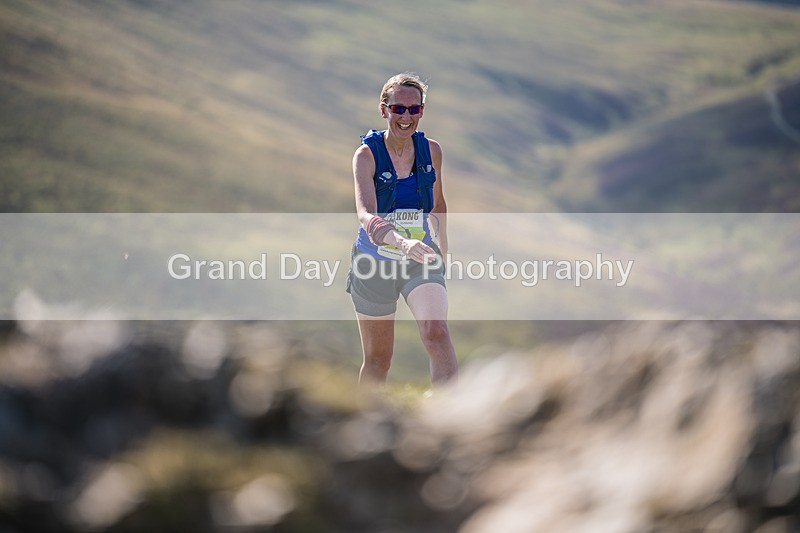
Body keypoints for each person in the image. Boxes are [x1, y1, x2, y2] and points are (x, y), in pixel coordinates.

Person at [346, 72, 458, 387]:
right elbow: (366, 216)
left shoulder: (431, 151)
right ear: (384, 110)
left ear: (421, 111)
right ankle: (365, 422)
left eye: (414, 109)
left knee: (436, 331)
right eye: (398, 109)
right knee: (379, 361)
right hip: (373, 262)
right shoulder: (366, 156)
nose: (406, 116)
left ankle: (451, 412)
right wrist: (401, 243)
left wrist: (443, 250)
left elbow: (438, 205)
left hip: (421, 258)